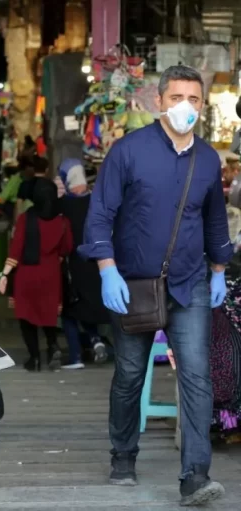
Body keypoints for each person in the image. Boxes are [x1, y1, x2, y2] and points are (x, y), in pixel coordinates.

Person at [79, 65, 231, 506]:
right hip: (133, 283)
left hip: (190, 283)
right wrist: (107, 268)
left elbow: (215, 219)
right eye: (177, 97)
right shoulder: (128, 151)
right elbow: (101, 213)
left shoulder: (207, 159)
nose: (186, 105)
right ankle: (123, 454)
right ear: (159, 101)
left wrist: (219, 269)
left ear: (202, 106)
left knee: (197, 378)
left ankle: (195, 477)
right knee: (129, 374)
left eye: (194, 99)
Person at [0, 178, 72, 371]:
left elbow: (15, 250)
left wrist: (4, 274)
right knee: (48, 315)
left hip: (26, 275)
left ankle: (35, 358)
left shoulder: (25, 218)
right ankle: (53, 345)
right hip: (51, 274)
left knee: (27, 317)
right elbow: (67, 248)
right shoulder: (62, 221)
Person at [56, 159, 108, 369]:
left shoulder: (64, 205)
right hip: (98, 261)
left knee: (71, 309)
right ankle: (96, 340)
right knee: (90, 305)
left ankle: (76, 356)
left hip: (74, 263)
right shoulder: (97, 200)